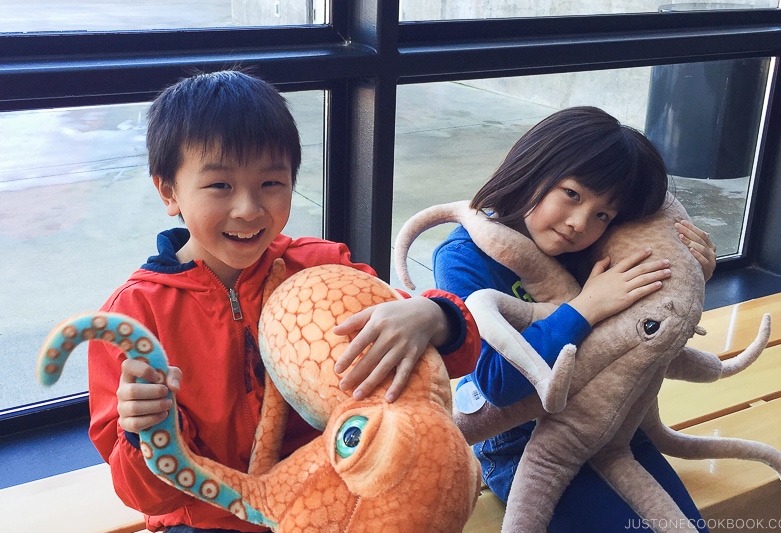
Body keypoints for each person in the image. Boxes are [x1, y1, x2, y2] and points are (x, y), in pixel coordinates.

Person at [87, 70, 480, 533]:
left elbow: (439, 367)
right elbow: (143, 494)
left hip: (328, 499)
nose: (249, 209)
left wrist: (434, 315)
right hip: (209, 520)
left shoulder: (323, 267)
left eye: (271, 183)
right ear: (169, 191)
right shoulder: (134, 315)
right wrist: (144, 430)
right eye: (220, 186)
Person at [433, 106, 717, 532]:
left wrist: (694, 274)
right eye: (572, 194)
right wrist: (585, 308)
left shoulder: (592, 248)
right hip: (522, 440)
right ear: (534, 167)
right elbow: (497, 381)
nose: (579, 223)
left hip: (615, 426)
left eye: (603, 214)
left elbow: (641, 329)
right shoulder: (466, 256)